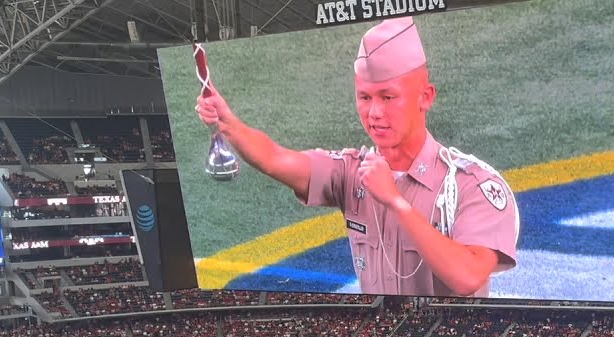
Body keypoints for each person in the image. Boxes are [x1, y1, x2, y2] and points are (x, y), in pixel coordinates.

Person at [195, 17, 520, 297]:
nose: (374, 112)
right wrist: (229, 124)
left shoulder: (471, 185)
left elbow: (468, 278)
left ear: (425, 97)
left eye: (388, 97)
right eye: (364, 97)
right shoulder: (351, 171)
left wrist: (396, 202)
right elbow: (275, 159)